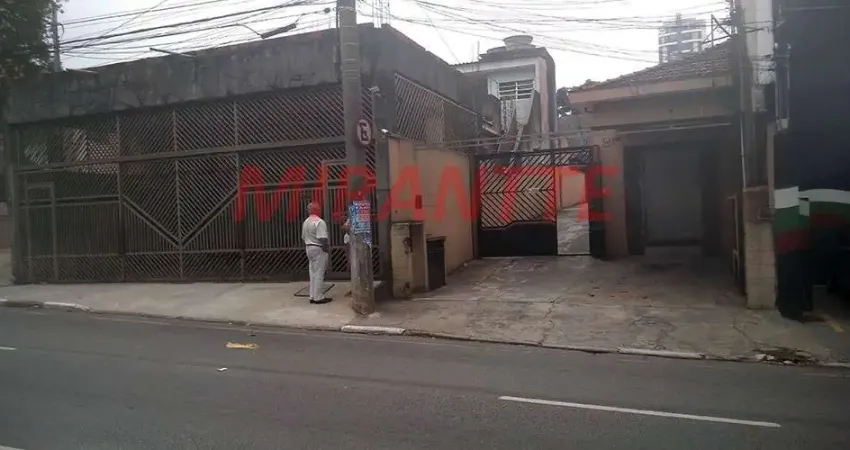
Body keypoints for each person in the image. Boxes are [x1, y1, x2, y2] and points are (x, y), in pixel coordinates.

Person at [302, 201, 331, 304]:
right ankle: (318, 297)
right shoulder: (319, 222)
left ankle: (312, 296)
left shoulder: (306, 222)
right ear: (318, 210)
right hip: (318, 248)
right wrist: (326, 248)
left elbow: (303, 237)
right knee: (319, 272)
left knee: (312, 273)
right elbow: (322, 238)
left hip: (309, 248)